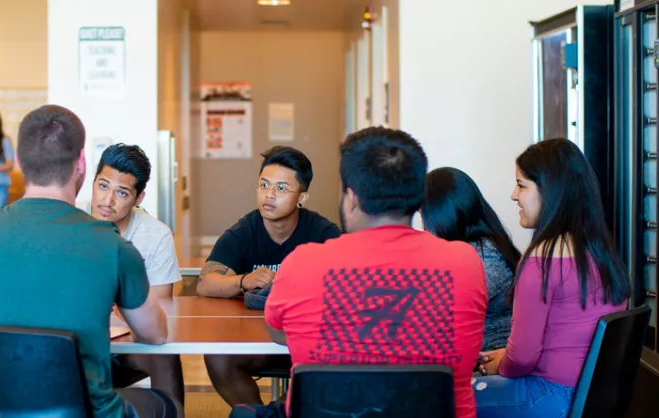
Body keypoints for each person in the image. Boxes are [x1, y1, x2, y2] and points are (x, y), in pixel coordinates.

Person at [0, 105, 177, 418]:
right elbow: (155, 334)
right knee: (165, 406)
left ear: (18, 161)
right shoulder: (111, 245)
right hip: (81, 410)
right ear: (81, 164)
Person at [263, 127, 487, 418]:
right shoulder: (465, 263)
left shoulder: (301, 263)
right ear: (420, 199)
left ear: (352, 197)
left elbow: (278, 331)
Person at [474, 138, 631, 418]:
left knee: (443, 396)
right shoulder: (601, 253)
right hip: (590, 397)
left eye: (521, 185)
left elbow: (522, 359)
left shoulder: (541, 263)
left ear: (551, 192)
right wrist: (507, 357)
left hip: (549, 397)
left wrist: (503, 364)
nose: (513, 195)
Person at [198, 145, 341, 407]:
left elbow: (348, 285)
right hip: (257, 338)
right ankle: (260, 415)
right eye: (264, 185)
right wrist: (243, 280)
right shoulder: (243, 231)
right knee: (217, 357)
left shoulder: (322, 233)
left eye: (282, 188)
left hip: (308, 340)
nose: (270, 195)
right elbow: (206, 282)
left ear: (302, 197)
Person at [78, 143, 186, 410]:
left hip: (127, 348)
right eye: (103, 186)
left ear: (138, 199)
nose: (107, 201)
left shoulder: (156, 235)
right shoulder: (70, 219)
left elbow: (160, 308)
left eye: (122, 192)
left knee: (165, 356)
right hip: (74, 344)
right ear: (92, 182)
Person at [421, 167, 520, 350]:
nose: (424, 227)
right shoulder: (478, 248)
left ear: (443, 216)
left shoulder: (485, 256)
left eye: (426, 218)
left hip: (489, 364)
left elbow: (439, 312)